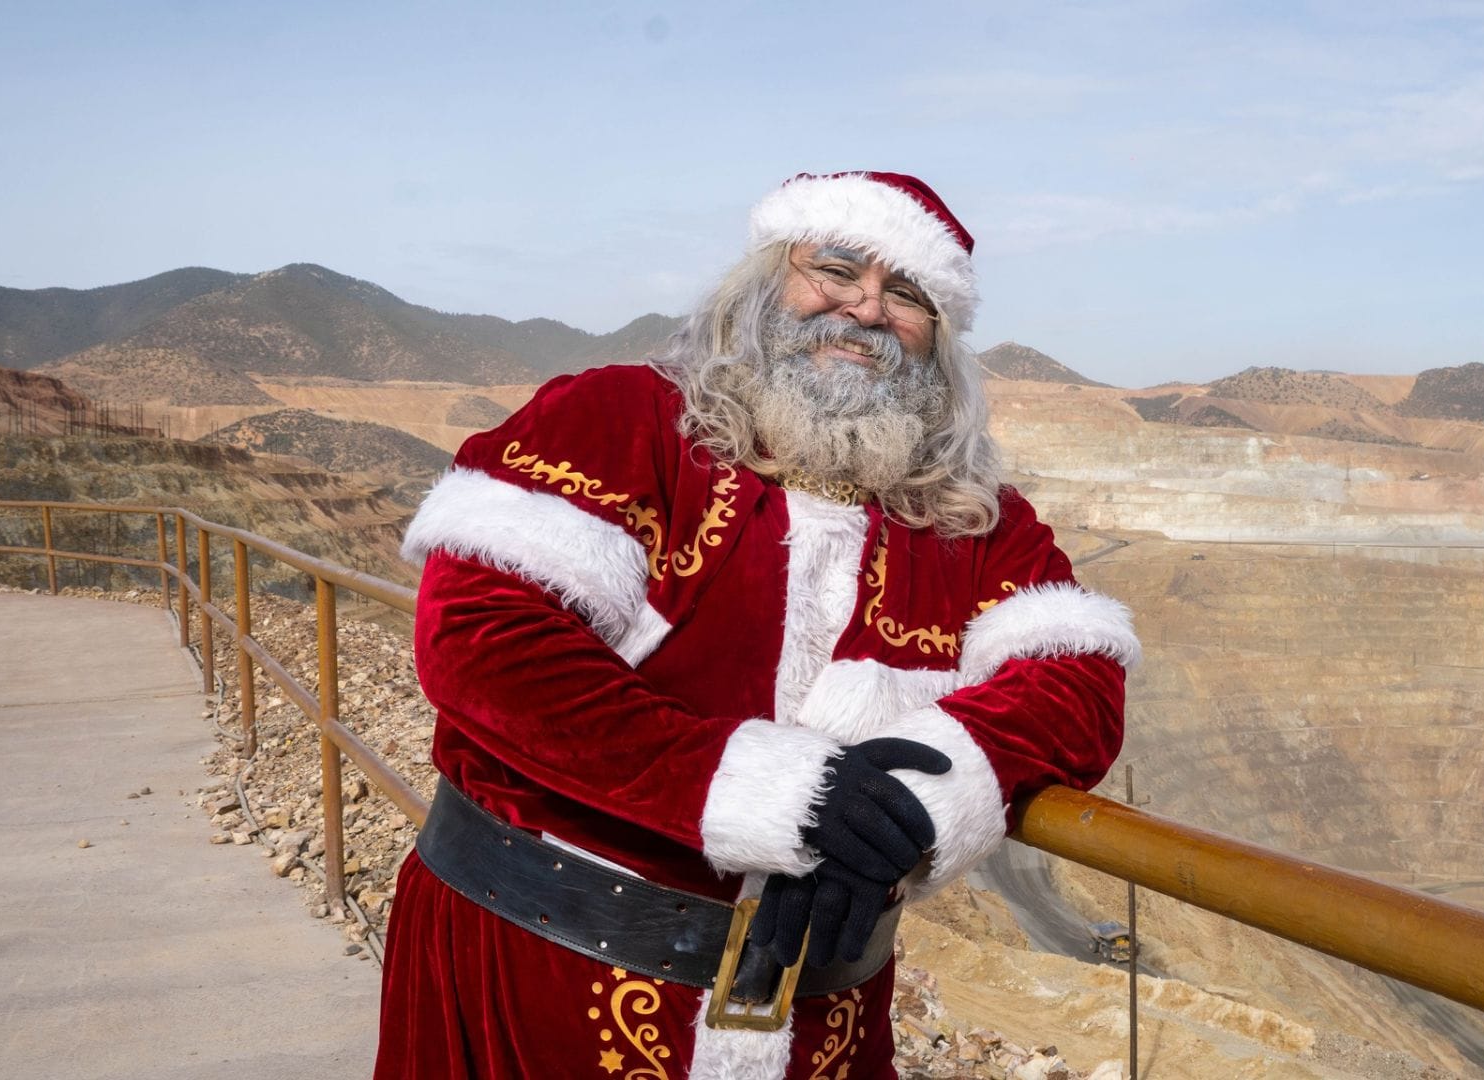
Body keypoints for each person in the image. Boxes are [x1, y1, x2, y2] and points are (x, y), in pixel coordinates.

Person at [377, 170, 1137, 1080]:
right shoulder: (622, 417)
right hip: (535, 977)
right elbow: (485, 642)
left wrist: (911, 809)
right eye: (837, 270)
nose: (864, 309)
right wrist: (761, 789)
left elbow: (1079, 683)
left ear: (939, 340)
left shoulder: (974, 519)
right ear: (766, 284)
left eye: (906, 294)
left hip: (826, 1026)